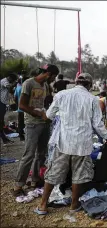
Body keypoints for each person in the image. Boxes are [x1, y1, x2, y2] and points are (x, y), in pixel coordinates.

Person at [34, 73, 107, 215]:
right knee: (79, 175)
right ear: (89, 85)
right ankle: (74, 205)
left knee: (54, 173)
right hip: (82, 144)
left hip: (63, 142)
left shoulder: (61, 95)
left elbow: (49, 115)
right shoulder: (92, 99)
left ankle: (43, 205)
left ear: (76, 82)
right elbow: (98, 124)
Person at [12, 64, 59, 196]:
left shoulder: (45, 86)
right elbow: (21, 105)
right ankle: (18, 185)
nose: (53, 80)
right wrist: (39, 114)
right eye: (53, 77)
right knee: (29, 155)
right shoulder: (29, 83)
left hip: (44, 123)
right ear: (49, 74)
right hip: (32, 124)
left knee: (41, 154)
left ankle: (35, 179)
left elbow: (47, 103)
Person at [0, 72, 18, 145]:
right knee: (1, 121)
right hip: (1, 103)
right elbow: (9, 87)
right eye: (12, 80)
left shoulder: (6, 81)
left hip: (3, 103)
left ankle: (4, 139)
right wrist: (15, 83)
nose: (12, 81)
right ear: (10, 78)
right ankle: (4, 139)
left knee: (1, 121)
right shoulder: (4, 81)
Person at [14, 76, 28, 141]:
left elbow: (15, 98)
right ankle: (27, 135)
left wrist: (18, 104)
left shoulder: (18, 88)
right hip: (28, 109)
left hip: (20, 108)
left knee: (20, 122)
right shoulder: (27, 88)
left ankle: (21, 136)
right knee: (27, 122)